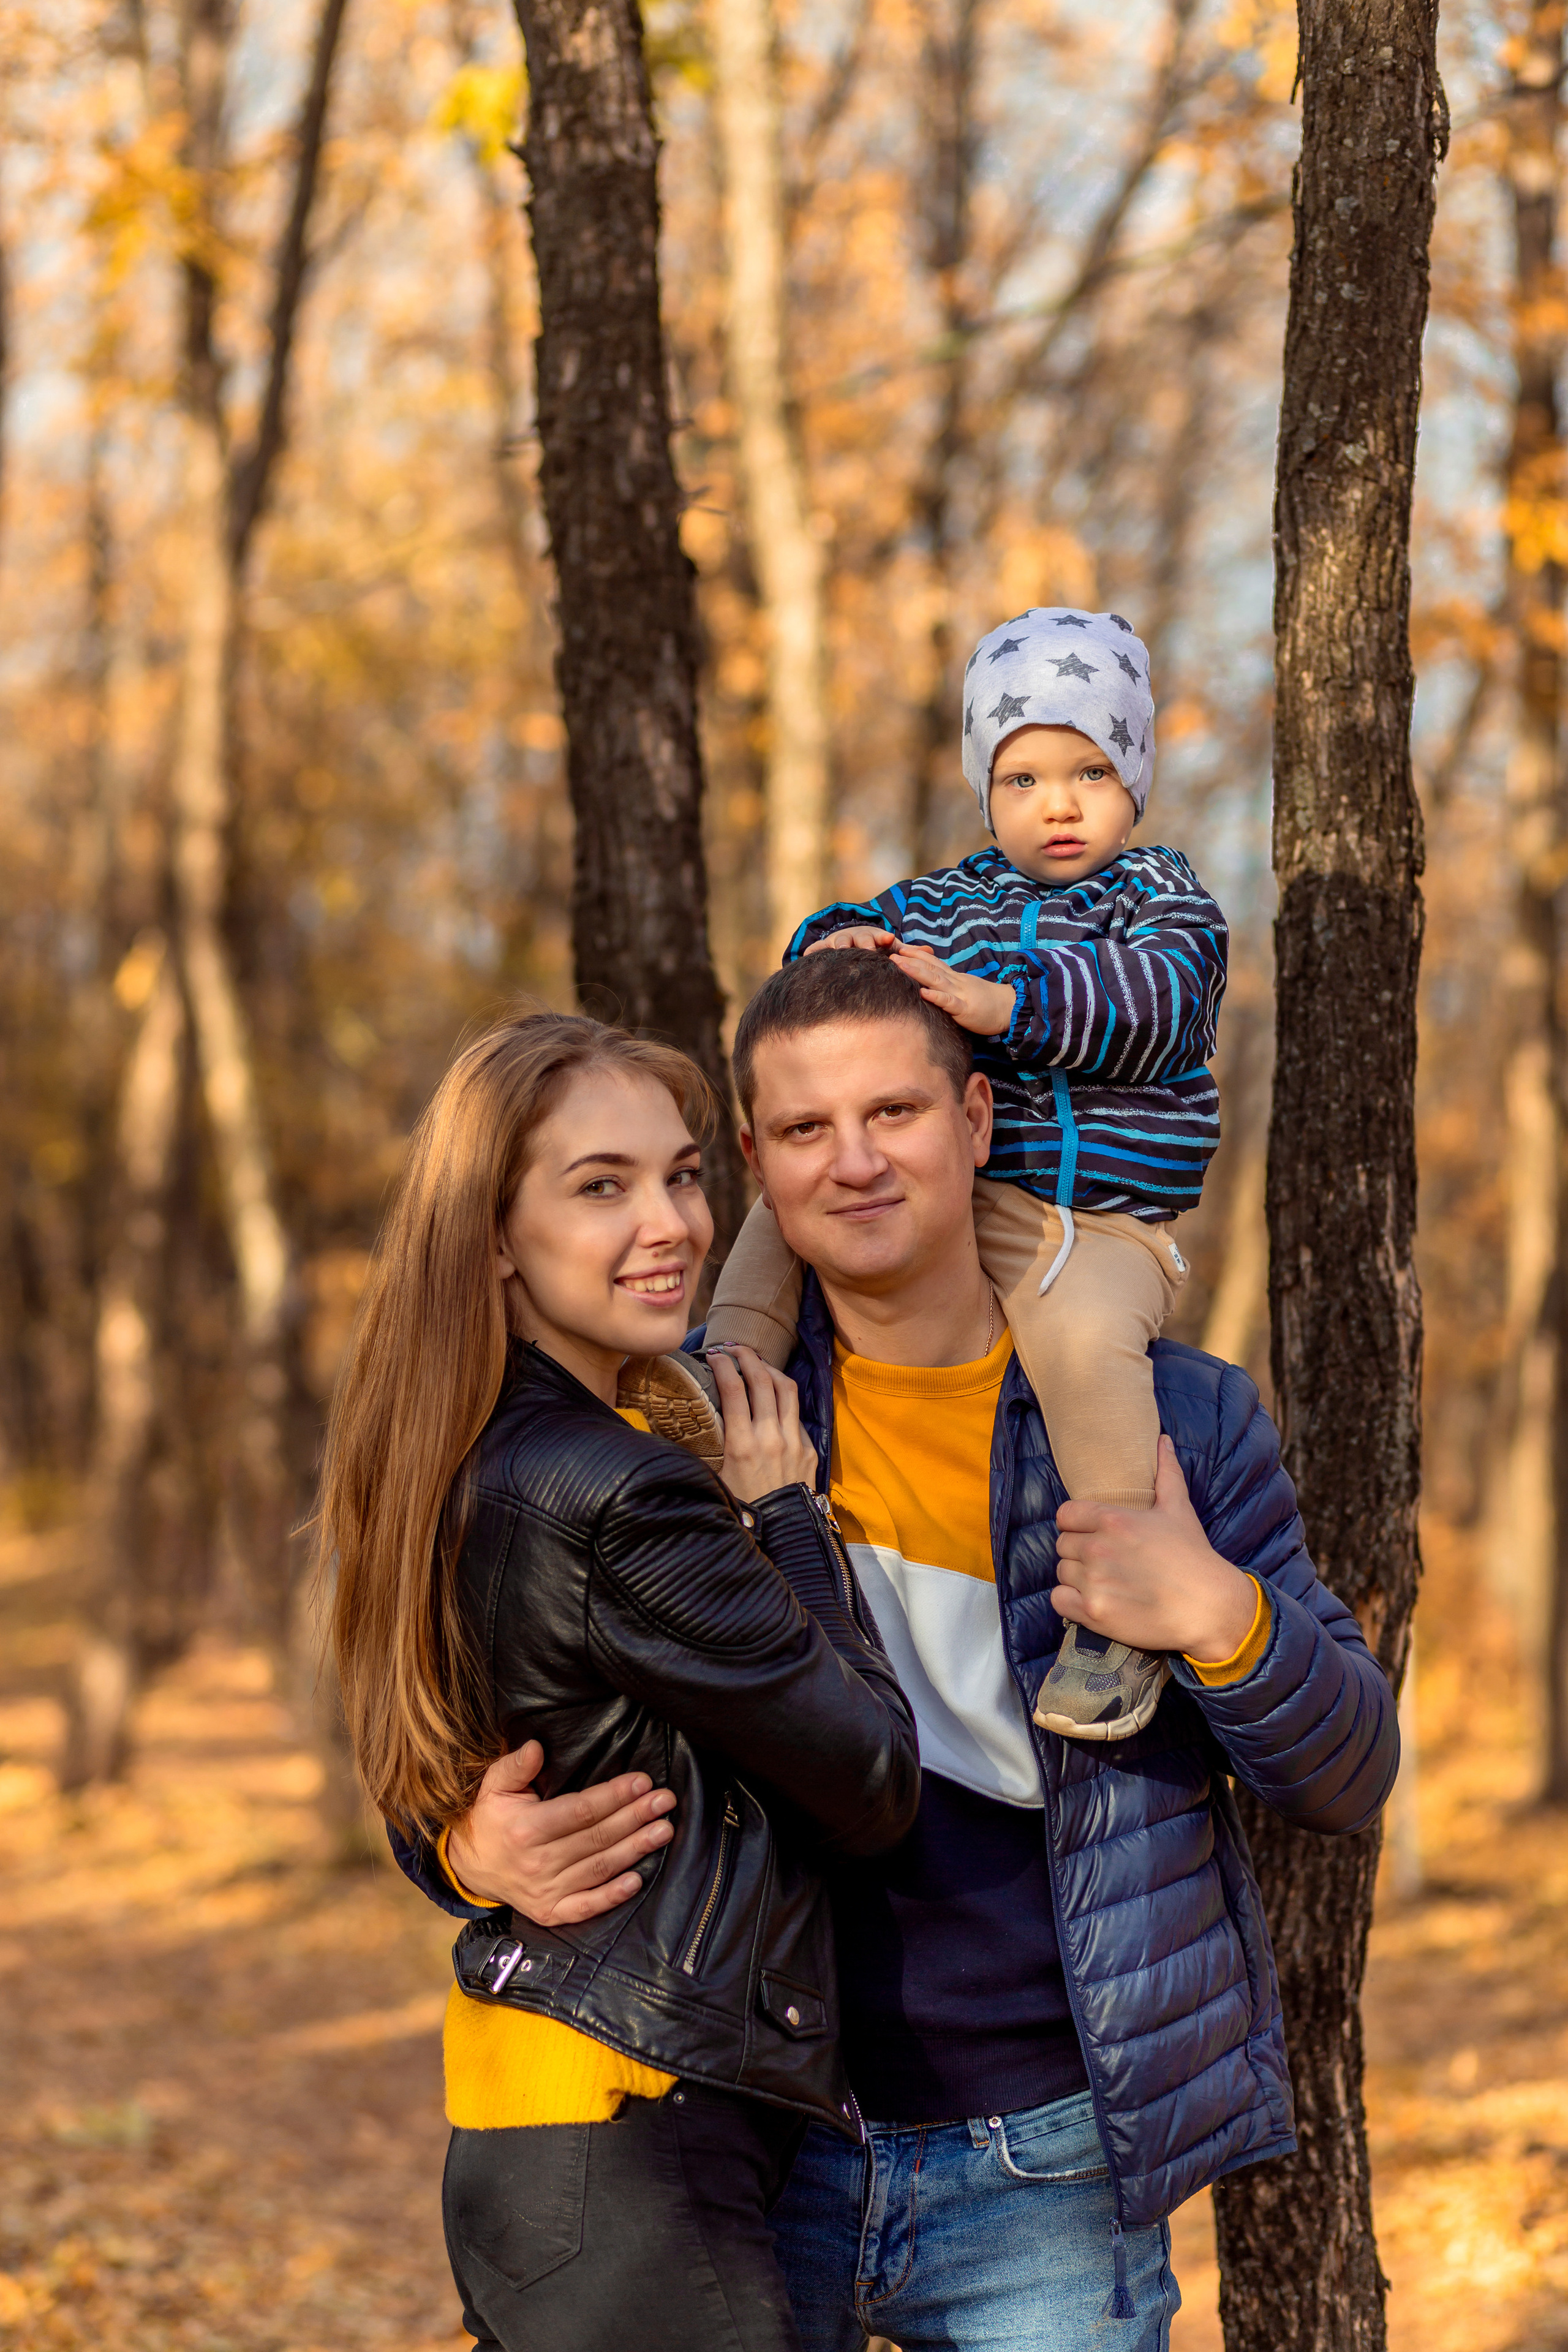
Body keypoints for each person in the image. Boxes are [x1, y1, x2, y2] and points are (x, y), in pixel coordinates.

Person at [402, 953, 1399, 2352]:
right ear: (753, 1160)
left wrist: (1214, 1614)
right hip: (756, 2139)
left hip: (1047, 2167)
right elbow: (474, 1708)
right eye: (805, 1130)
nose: (855, 1162)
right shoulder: (681, 1413)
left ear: (977, 1122)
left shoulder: (1162, 1421)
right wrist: (459, 1846)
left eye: (896, 1114)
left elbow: (1347, 1769)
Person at [318, 1008, 920, 2352]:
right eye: (601, 1187)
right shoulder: (618, 1485)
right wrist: (783, 1519)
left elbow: (453, 1766)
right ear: (490, 1235)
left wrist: (464, 1849)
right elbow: (876, 1782)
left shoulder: (466, 1452)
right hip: (635, 2125)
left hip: (540, 2106)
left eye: (684, 1173)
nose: (671, 1223)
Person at [704, 608, 1227, 1742]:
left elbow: (1162, 1007)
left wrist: (1012, 1005)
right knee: (790, 1206)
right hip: (969, 1193)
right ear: (985, 790)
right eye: (1025, 775)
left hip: (1097, 1224)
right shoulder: (951, 902)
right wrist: (834, 948)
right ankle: (720, 1383)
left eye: (1092, 770)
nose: (1061, 802)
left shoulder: (1164, 901)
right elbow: (859, 927)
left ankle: (1118, 1610)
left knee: (1087, 1352)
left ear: (1135, 778)